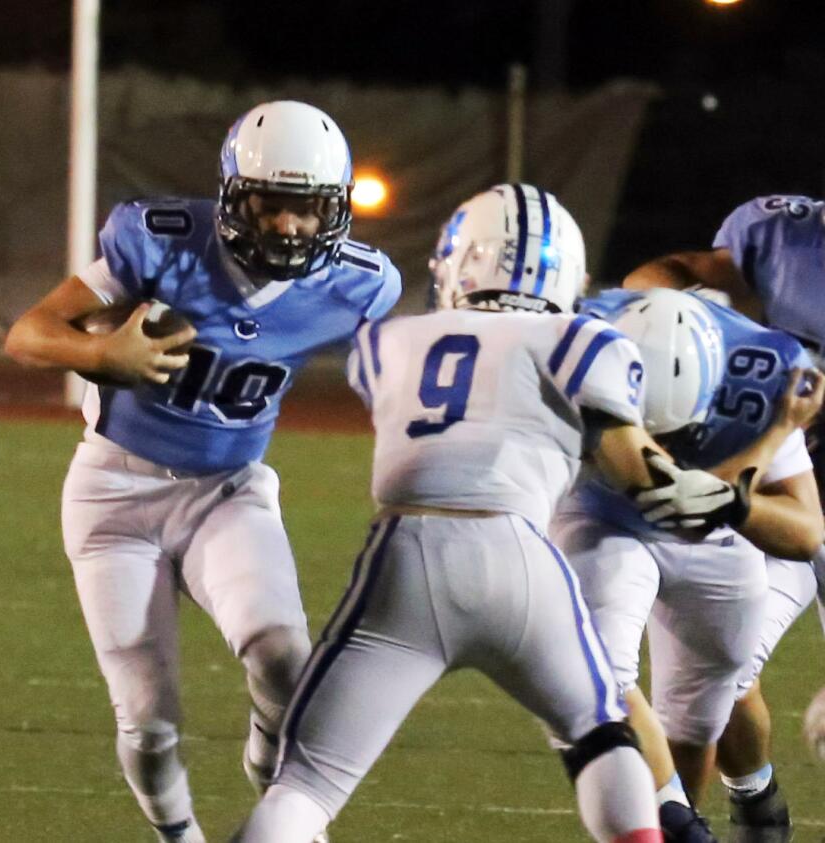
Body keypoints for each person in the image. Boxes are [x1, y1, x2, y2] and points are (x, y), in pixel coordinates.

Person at [231, 184, 753, 843]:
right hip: (521, 559)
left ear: (461, 263)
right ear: (563, 270)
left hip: (407, 553)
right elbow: (640, 474)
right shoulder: (582, 339)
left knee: (302, 786)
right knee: (599, 733)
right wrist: (711, 493)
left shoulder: (390, 343)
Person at [5, 99, 401, 842]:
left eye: (308, 209)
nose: (289, 225)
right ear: (232, 195)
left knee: (285, 657)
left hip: (228, 490)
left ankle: (270, 768)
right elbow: (30, 333)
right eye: (271, 203)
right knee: (150, 722)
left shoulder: (361, 285)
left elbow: (397, 372)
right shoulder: (160, 242)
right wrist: (101, 354)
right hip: (115, 491)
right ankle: (179, 834)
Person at [553, 287, 823, 842]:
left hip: (717, 537)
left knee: (701, 716)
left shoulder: (763, 377)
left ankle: (716, 814)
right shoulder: (576, 347)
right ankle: (680, 830)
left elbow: (805, 533)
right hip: (600, 516)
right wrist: (767, 444)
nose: (660, 445)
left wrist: (764, 450)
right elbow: (664, 491)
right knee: (599, 679)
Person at [624, 195, 825, 842]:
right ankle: (756, 804)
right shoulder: (782, 234)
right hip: (786, 486)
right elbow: (660, 276)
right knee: (720, 667)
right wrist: (696, 319)